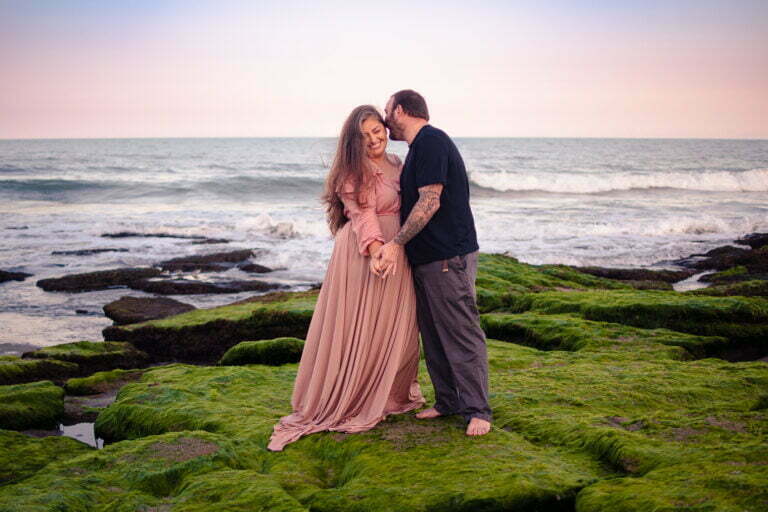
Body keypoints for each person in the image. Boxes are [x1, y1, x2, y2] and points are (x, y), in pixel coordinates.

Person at [267, 105, 425, 451]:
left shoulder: (398, 163)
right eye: (364, 135)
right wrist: (377, 251)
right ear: (353, 140)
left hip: (397, 249)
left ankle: (388, 395)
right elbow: (362, 214)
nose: (373, 139)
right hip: (363, 252)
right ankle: (352, 396)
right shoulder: (350, 172)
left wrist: (396, 248)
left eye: (377, 131)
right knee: (359, 325)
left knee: (393, 323)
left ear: (386, 129)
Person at [374, 89, 492, 436]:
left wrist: (396, 244)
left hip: (447, 257)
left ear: (400, 110)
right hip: (428, 259)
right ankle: (448, 401)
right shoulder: (418, 148)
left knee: (460, 332)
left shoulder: (431, 142)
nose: (385, 120)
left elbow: (430, 201)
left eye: (387, 112)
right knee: (434, 335)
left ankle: (478, 410)